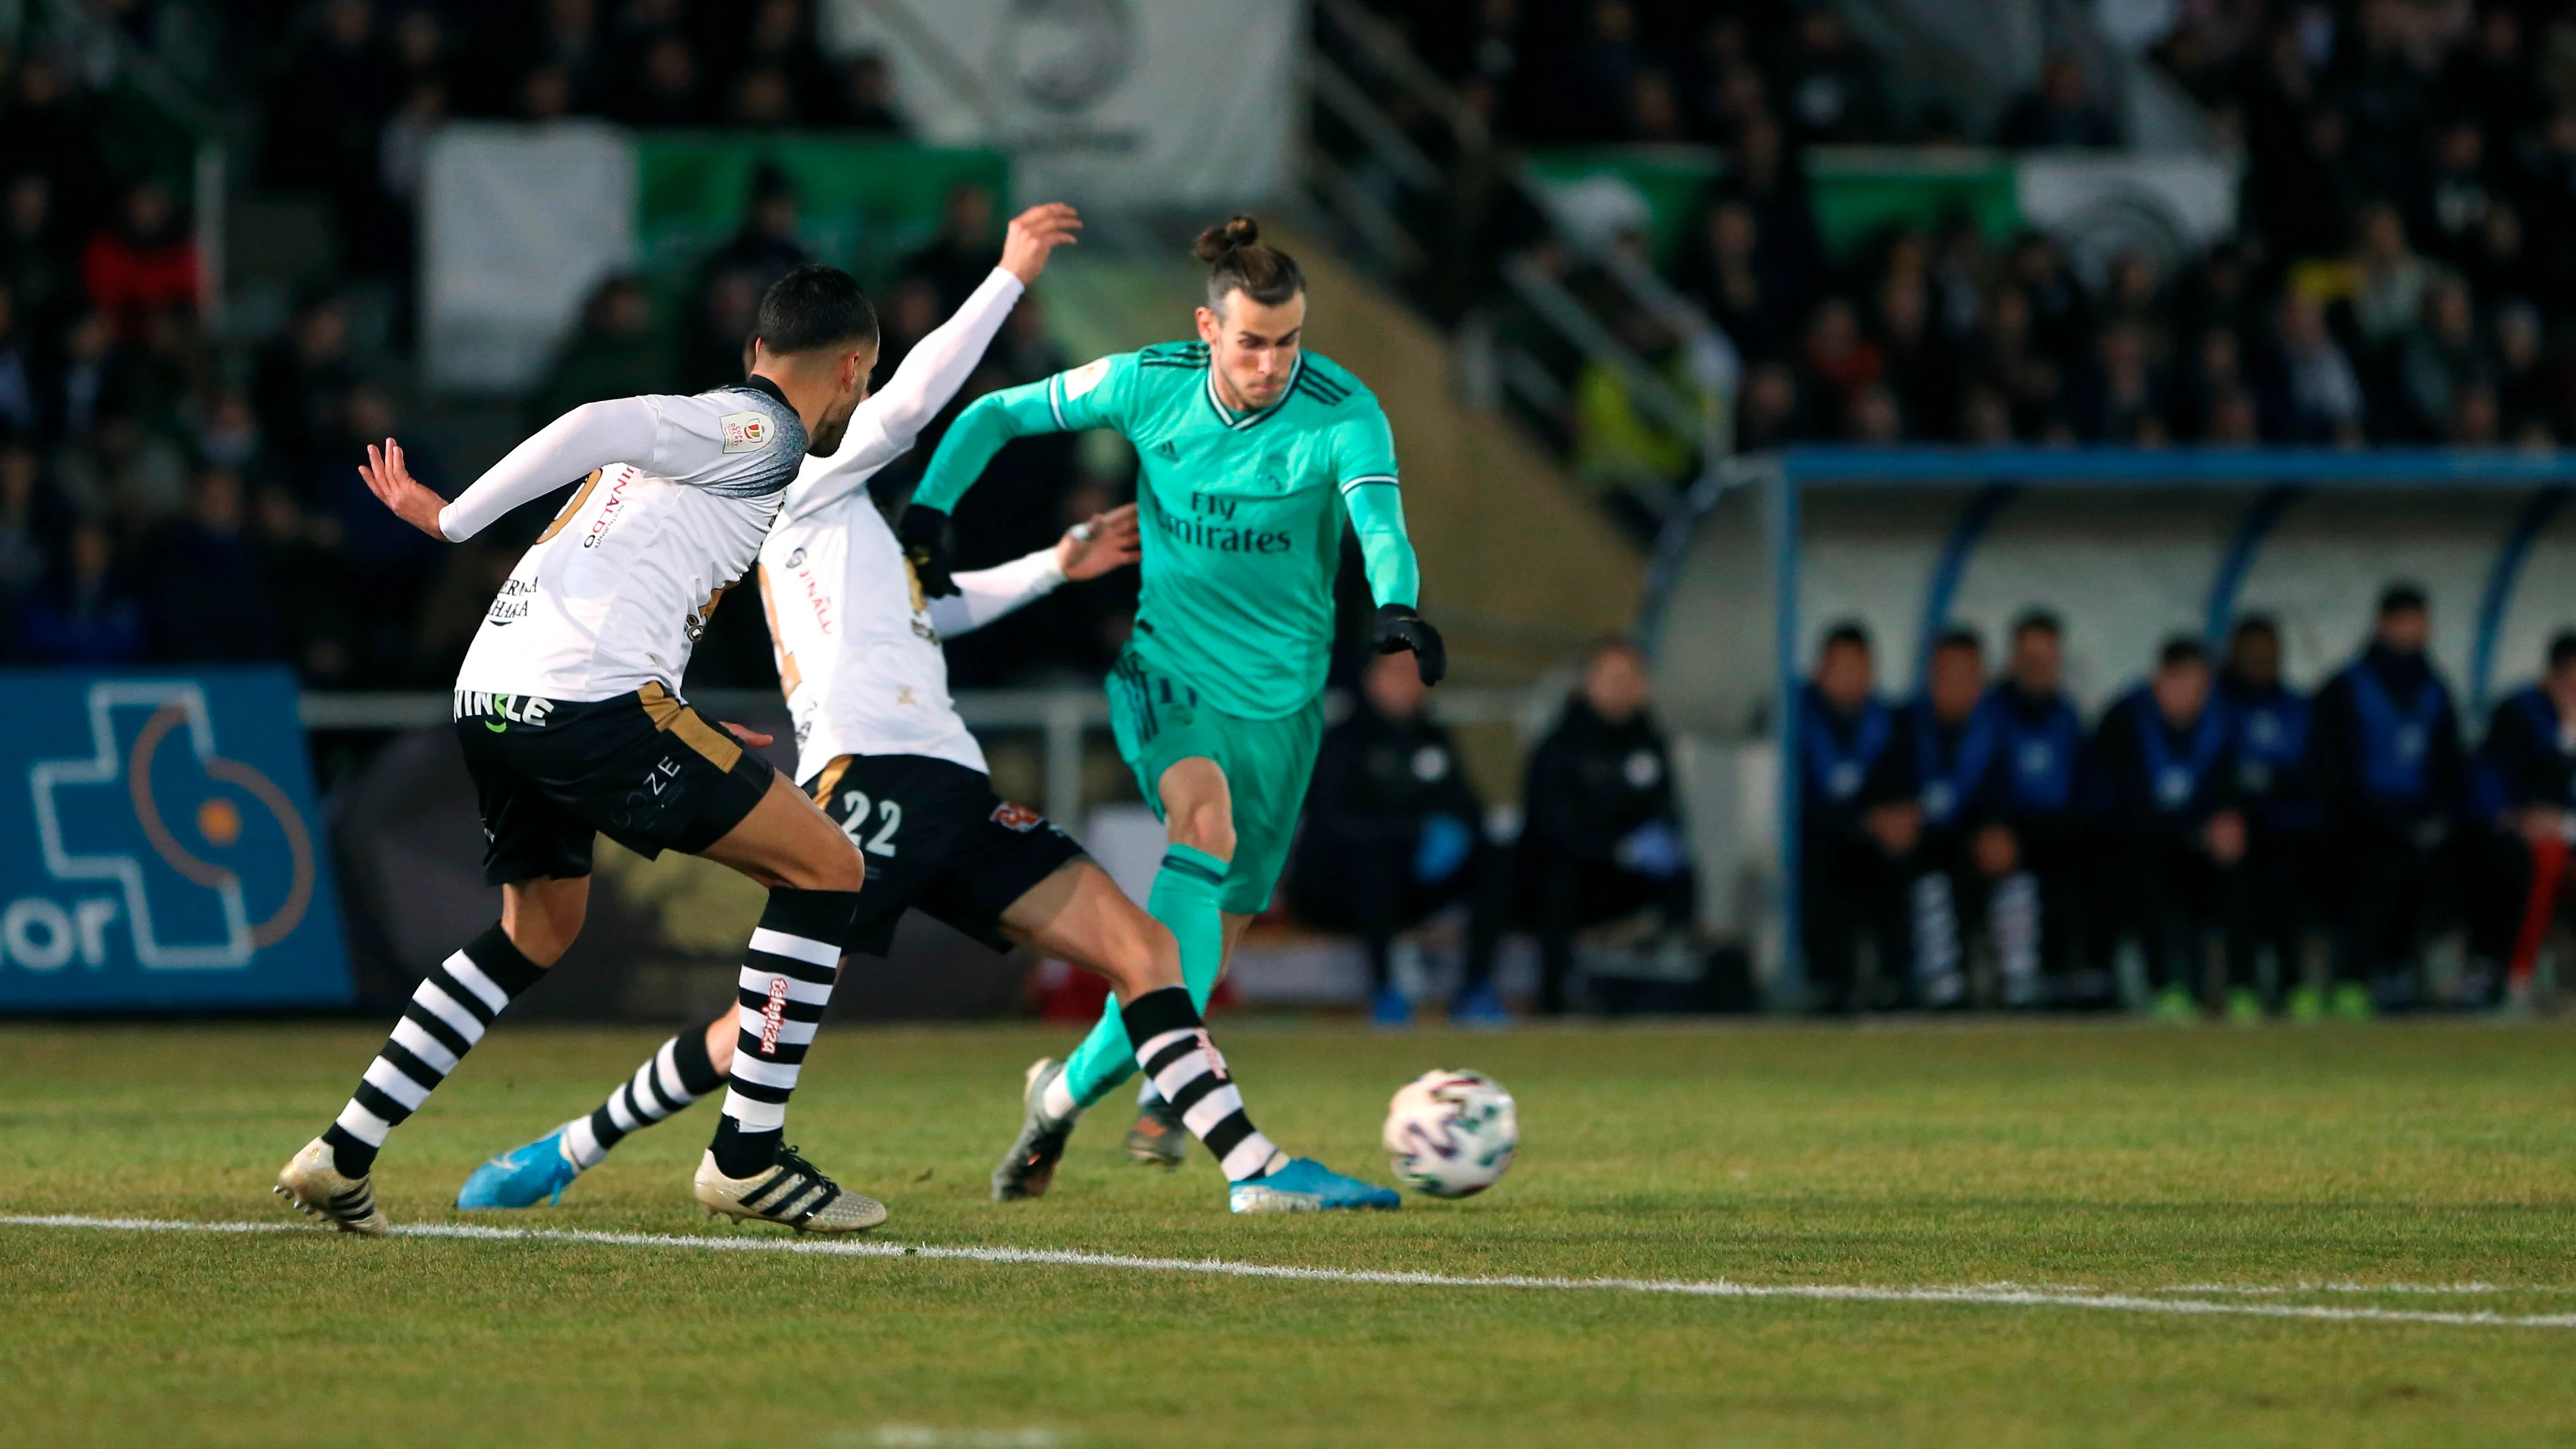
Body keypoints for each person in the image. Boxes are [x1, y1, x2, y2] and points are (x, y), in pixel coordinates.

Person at [452, 205, 1392, 1216]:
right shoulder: (792, 473)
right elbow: (913, 405)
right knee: (755, 1022)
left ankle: (1252, 1169)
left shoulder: (846, 514)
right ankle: (567, 1146)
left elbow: (924, 611)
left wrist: (1052, 564)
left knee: (1144, 950)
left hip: (952, 781)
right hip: (871, 777)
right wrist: (1008, 275)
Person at [277, 262, 894, 1236]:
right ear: (853, 369)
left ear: (756, 346)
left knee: (539, 929)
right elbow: (598, 418)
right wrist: (452, 517)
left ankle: (344, 1148)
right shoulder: (764, 428)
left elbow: (630, 562)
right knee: (829, 865)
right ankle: (747, 1158)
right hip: (588, 698)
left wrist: (669, 705)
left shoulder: (710, 437)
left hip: (497, 690)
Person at [903, 216, 1444, 1191]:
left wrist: (1398, 603)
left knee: (1191, 964)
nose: (1272, 363)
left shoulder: (1343, 410)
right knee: (1205, 822)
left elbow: (1380, 522)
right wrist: (931, 513)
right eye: (1251, 341)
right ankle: (1240, 1155)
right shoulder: (1144, 382)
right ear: (1207, 327)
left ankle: (1060, 1102)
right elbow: (991, 414)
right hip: (1168, 674)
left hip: (1282, 707)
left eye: (1288, 342)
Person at [1289, 649, 1508, 1027]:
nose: (1408, 683)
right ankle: (1386, 992)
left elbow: (1470, 810)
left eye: (1415, 673)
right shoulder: (1343, 741)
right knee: (1377, 862)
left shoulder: (1433, 737)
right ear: (1371, 678)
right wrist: (1412, 833)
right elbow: (1332, 824)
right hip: (1340, 889)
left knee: (1494, 857)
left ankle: (1476, 989)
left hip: (1411, 885)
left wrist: (1453, 834)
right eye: (1396, 672)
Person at [2307, 584, 2465, 1016]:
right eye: (2409, 622)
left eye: (2422, 622)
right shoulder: (2347, 687)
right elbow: (2330, 768)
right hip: (2358, 822)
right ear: (2385, 624)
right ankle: (2359, 976)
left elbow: (2451, 764)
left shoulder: (2434, 689)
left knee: (2452, 859)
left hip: (2421, 820)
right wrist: (2375, 815)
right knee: (2377, 864)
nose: (2418, 632)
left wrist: (2439, 817)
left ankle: (2406, 971)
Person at [1518, 638, 1694, 1016]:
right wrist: (1618, 848)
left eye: (1632, 676)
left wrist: (1662, 840)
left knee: (1683, 874)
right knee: (1557, 884)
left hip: (1627, 877)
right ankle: (1555, 1002)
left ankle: (1675, 987)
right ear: (1588, 683)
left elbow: (1668, 811)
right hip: (1576, 872)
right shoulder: (1560, 745)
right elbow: (1552, 828)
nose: (1624, 686)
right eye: (1613, 677)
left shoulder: (1650, 742)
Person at [2088, 638, 2247, 1020]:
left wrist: (2229, 820)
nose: (2188, 697)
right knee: (2146, 873)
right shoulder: (2125, 719)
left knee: (2244, 870)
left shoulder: (2223, 722)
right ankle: (2167, 990)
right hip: (2139, 846)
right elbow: (2119, 804)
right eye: (2179, 685)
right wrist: (2191, 829)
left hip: (2198, 848)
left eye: (2198, 687)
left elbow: (2233, 790)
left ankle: (2244, 990)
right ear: (2159, 680)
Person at [1796, 622, 1915, 1012]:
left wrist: (1897, 820)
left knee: (1901, 863)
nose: (1852, 679)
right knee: (1823, 863)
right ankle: (1829, 986)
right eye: (1842, 668)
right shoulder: (1798, 720)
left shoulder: (1889, 723)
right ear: (1821, 671)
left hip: (1874, 851)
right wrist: (1862, 822)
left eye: (1859, 668)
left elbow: (1905, 789)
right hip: (1825, 846)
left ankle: (1898, 983)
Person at [1898, 629, 2009, 1010]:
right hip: (1921, 854)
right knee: (1926, 882)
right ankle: (1938, 991)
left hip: (1975, 852)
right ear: (1932, 676)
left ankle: (2018, 989)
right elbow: (1883, 802)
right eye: (1950, 674)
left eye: (1969, 676)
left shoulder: (1997, 732)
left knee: (2014, 872)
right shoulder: (1905, 728)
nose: (1959, 686)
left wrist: (2000, 833)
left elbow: (2008, 803)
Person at [2218, 615, 2322, 1017]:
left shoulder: (2298, 709)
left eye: (2269, 653)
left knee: (2289, 880)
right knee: (2237, 882)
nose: (2261, 661)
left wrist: (2267, 786)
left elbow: (2316, 776)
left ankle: (2296, 987)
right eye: (2252, 653)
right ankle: (2240, 989)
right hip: (2234, 833)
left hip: (2290, 833)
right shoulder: (2218, 706)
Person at [1985, 612, 2091, 1006]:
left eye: (2046, 660)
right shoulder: (1992, 712)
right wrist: (1990, 825)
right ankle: (2018, 984)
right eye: (2029, 659)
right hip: (2006, 829)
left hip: (2060, 833)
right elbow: (1979, 778)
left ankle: (2076, 977)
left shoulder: (2068, 715)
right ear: (2013, 660)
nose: (2038, 669)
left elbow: (2084, 787)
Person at [2468, 633, 2576, 1006]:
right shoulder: (2519, 714)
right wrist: (2512, 818)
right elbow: (2494, 784)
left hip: (2566, 832)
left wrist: (2563, 823)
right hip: (2523, 841)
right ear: (2552, 676)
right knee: (2539, 859)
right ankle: (2514, 979)